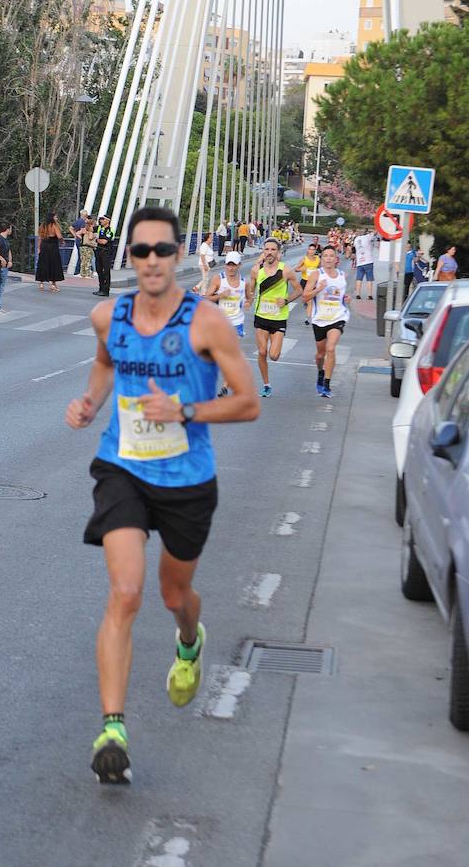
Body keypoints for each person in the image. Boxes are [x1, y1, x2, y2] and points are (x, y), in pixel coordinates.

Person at [65, 206, 259, 784]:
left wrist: (185, 409)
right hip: (122, 467)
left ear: (179, 255)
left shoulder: (208, 323)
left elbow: (248, 402)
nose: (152, 260)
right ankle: (113, 728)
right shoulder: (109, 316)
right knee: (125, 592)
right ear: (130, 256)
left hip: (188, 480)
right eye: (142, 251)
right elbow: (104, 363)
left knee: (175, 596)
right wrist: (90, 402)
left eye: (163, 250)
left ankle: (190, 641)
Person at [248, 238, 303, 397]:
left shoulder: (286, 270)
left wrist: (285, 300)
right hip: (261, 316)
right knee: (262, 351)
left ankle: (276, 344)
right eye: (267, 249)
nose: (269, 252)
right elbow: (250, 291)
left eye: (273, 250)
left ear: (278, 252)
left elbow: (299, 290)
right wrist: (248, 295)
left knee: (274, 355)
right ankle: (266, 385)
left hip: (279, 318)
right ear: (263, 252)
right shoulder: (256, 270)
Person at [303, 244, 351, 398]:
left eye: (331, 256)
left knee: (331, 349)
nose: (329, 258)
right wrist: (318, 289)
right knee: (320, 355)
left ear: (336, 259)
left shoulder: (342, 275)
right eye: (326, 256)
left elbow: (341, 295)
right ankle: (320, 372)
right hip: (320, 319)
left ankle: (327, 385)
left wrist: (345, 299)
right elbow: (305, 296)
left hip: (338, 317)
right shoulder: (316, 275)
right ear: (321, 259)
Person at [206, 250, 252, 396]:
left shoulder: (244, 283)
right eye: (228, 265)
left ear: (239, 265)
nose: (230, 268)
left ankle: (225, 387)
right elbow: (206, 297)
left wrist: (248, 303)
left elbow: (250, 297)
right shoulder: (218, 279)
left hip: (237, 323)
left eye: (233, 265)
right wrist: (220, 295)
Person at [35, 212, 64, 292]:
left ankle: (41, 283)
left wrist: (38, 248)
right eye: (55, 217)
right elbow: (59, 236)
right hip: (52, 246)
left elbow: (40, 238)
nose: (56, 218)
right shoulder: (54, 225)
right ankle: (53, 284)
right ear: (52, 218)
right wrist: (62, 241)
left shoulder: (42, 226)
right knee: (54, 264)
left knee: (43, 263)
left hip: (44, 246)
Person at [295, 243, 321, 325]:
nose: (311, 251)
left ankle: (308, 318)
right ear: (308, 250)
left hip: (313, 282)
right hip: (305, 281)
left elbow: (320, 269)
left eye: (313, 250)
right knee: (306, 299)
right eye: (310, 249)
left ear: (315, 251)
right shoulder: (304, 259)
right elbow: (296, 269)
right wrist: (302, 269)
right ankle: (307, 307)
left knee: (310, 301)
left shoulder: (318, 259)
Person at [93, 215, 114, 297]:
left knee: (106, 271)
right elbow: (90, 229)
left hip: (106, 252)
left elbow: (104, 242)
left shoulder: (110, 230)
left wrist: (96, 239)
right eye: (101, 219)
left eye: (103, 219)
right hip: (98, 251)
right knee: (99, 270)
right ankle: (100, 289)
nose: (101, 220)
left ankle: (106, 290)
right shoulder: (99, 228)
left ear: (107, 221)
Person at [353, 227, 377, 300]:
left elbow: (354, 248)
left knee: (359, 279)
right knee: (369, 279)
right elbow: (376, 232)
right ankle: (369, 295)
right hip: (368, 261)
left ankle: (357, 294)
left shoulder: (356, 239)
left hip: (359, 262)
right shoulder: (368, 237)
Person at [194, 231, 215, 295]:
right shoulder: (204, 245)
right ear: (207, 238)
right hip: (204, 264)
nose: (212, 239)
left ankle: (201, 291)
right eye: (211, 237)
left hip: (207, 264)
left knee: (206, 279)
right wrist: (205, 265)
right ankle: (200, 290)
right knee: (205, 279)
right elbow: (202, 255)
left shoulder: (207, 245)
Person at [69, 208, 88, 275]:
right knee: (82, 256)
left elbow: (70, 228)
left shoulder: (77, 221)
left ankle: (78, 271)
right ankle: (78, 271)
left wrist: (75, 235)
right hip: (81, 240)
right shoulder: (83, 222)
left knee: (80, 255)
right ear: (85, 215)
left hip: (77, 240)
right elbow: (83, 231)